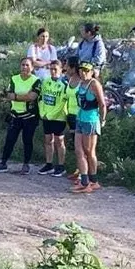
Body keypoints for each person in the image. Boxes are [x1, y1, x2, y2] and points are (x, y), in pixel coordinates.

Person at [0, 57, 41, 175]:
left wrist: (17, 97)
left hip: (30, 116)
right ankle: (3, 163)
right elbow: (9, 95)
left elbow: (32, 97)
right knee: (10, 140)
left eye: (27, 65)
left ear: (32, 67)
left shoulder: (36, 80)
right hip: (15, 115)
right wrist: (24, 96)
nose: (24, 67)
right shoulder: (14, 79)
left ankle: (26, 164)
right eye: (23, 65)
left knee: (27, 140)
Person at [71, 63, 107, 194]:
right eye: (81, 70)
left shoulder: (94, 84)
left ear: (92, 72)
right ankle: (85, 180)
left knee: (89, 151)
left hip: (91, 120)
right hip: (80, 118)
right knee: (78, 150)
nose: (83, 73)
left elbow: (102, 104)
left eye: (86, 70)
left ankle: (93, 180)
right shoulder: (81, 83)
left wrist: (102, 120)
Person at [37, 58, 70, 177]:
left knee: (59, 141)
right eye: (51, 69)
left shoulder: (64, 85)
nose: (53, 72)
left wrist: (55, 114)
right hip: (46, 115)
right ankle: (49, 164)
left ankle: (61, 165)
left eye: (55, 69)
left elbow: (65, 102)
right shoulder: (45, 81)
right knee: (47, 140)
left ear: (61, 70)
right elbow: (41, 98)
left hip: (59, 117)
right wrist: (42, 112)